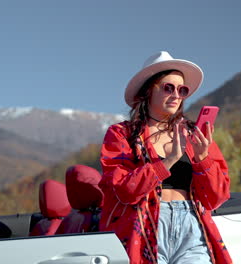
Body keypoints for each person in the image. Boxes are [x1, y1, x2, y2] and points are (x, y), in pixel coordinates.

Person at [99, 51, 232, 264]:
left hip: (191, 225)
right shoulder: (121, 134)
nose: (176, 95)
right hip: (144, 230)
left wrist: (202, 159)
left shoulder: (194, 135)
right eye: (168, 87)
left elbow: (216, 198)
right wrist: (167, 161)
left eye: (182, 90)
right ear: (148, 90)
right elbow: (123, 190)